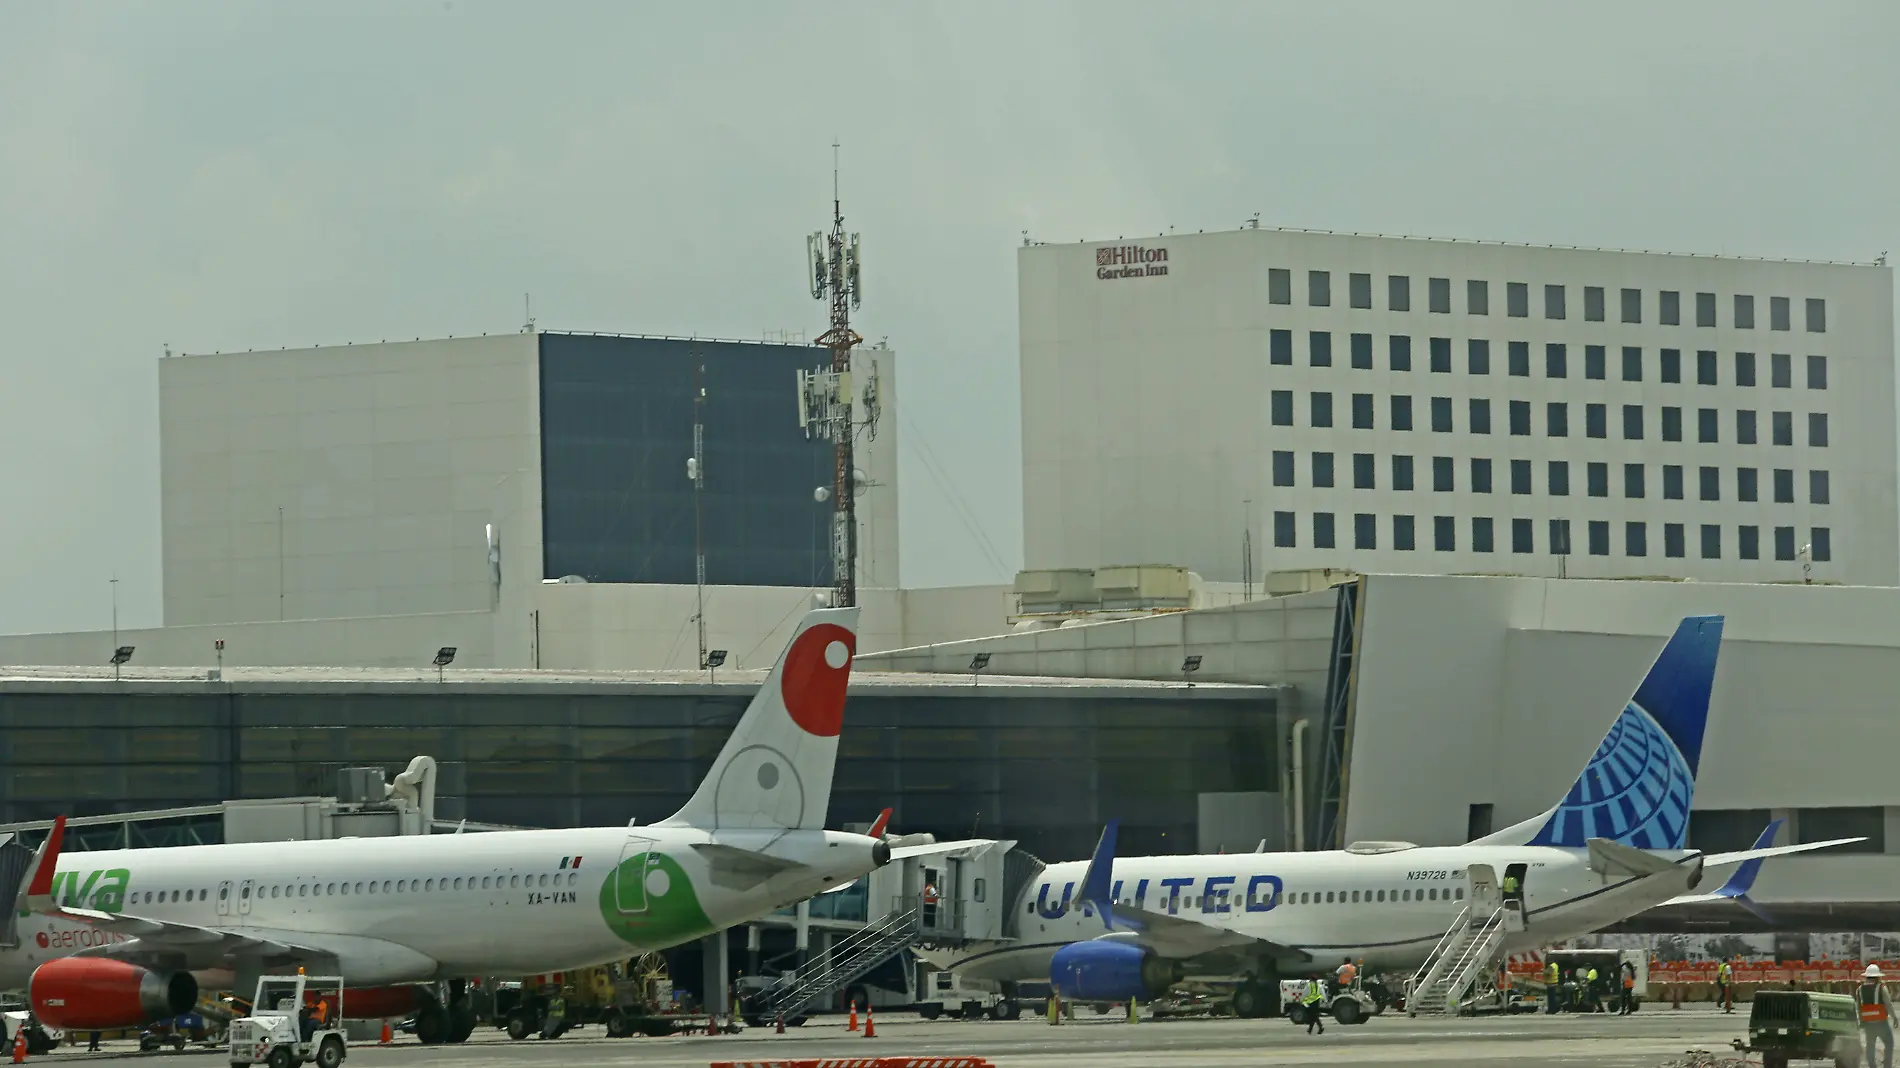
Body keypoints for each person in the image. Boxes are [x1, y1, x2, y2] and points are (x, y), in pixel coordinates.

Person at [1860, 965, 1895, 1068]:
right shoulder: (1881, 987)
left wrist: (1861, 1022)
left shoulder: (1860, 989)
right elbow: (1888, 1003)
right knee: (1889, 1043)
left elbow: (1859, 1007)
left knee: (1870, 1045)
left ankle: (1872, 1066)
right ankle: (1887, 1065)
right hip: (1881, 1023)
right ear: (1877, 977)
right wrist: (1895, 1018)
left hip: (1868, 1023)